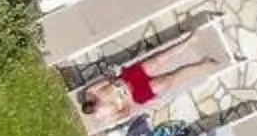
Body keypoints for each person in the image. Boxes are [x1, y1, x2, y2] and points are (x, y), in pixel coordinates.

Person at [76, 36, 224, 124]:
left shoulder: (92, 92)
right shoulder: (103, 116)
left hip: (130, 79)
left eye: (94, 103)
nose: (97, 104)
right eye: (95, 106)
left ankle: (188, 42)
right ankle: (204, 65)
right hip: (137, 94)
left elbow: (108, 79)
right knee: (171, 78)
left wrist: (116, 84)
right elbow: (125, 114)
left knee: (159, 59)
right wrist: (127, 103)